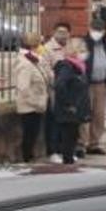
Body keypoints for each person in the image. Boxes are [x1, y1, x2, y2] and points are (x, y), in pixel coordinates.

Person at [42, 22, 81, 163]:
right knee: (54, 122)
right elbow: (46, 69)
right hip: (55, 90)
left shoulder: (69, 47)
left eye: (65, 32)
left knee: (67, 123)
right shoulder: (47, 49)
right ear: (54, 32)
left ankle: (65, 150)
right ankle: (52, 151)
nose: (62, 35)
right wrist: (59, 79)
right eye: (59, 32)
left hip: (70, 91)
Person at [80, 18, 106, 156]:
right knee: (84, 115)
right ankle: (81, 144)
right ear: (90, 29)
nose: (97, 33)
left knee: (99, 115)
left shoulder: (105, 44)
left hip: (102, 84)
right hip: (87, 84)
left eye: (100, 30)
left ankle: (94, 143)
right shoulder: (84, 43)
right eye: (95, 29)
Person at [14, 32, 51, 163]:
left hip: (36, 106)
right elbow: (23, 88)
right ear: (33, 46)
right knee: (29, 135)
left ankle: (29, 157)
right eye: (39, 44)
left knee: (33, 134)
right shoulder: (25, 63)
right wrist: (36, 102)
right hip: (29, 106)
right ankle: (26, 159)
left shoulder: (34, 59)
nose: (41, 47)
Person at [52, 41, 92, 165]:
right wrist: (68, 104)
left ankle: (69, 159)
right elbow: (60, 85)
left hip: (76, 109)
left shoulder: (78, 67)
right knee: (68, 138)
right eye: (81, 50)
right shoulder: (67, 67)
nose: (84, 53)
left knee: (73, 136)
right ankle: (67, 162)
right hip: (69, 110)